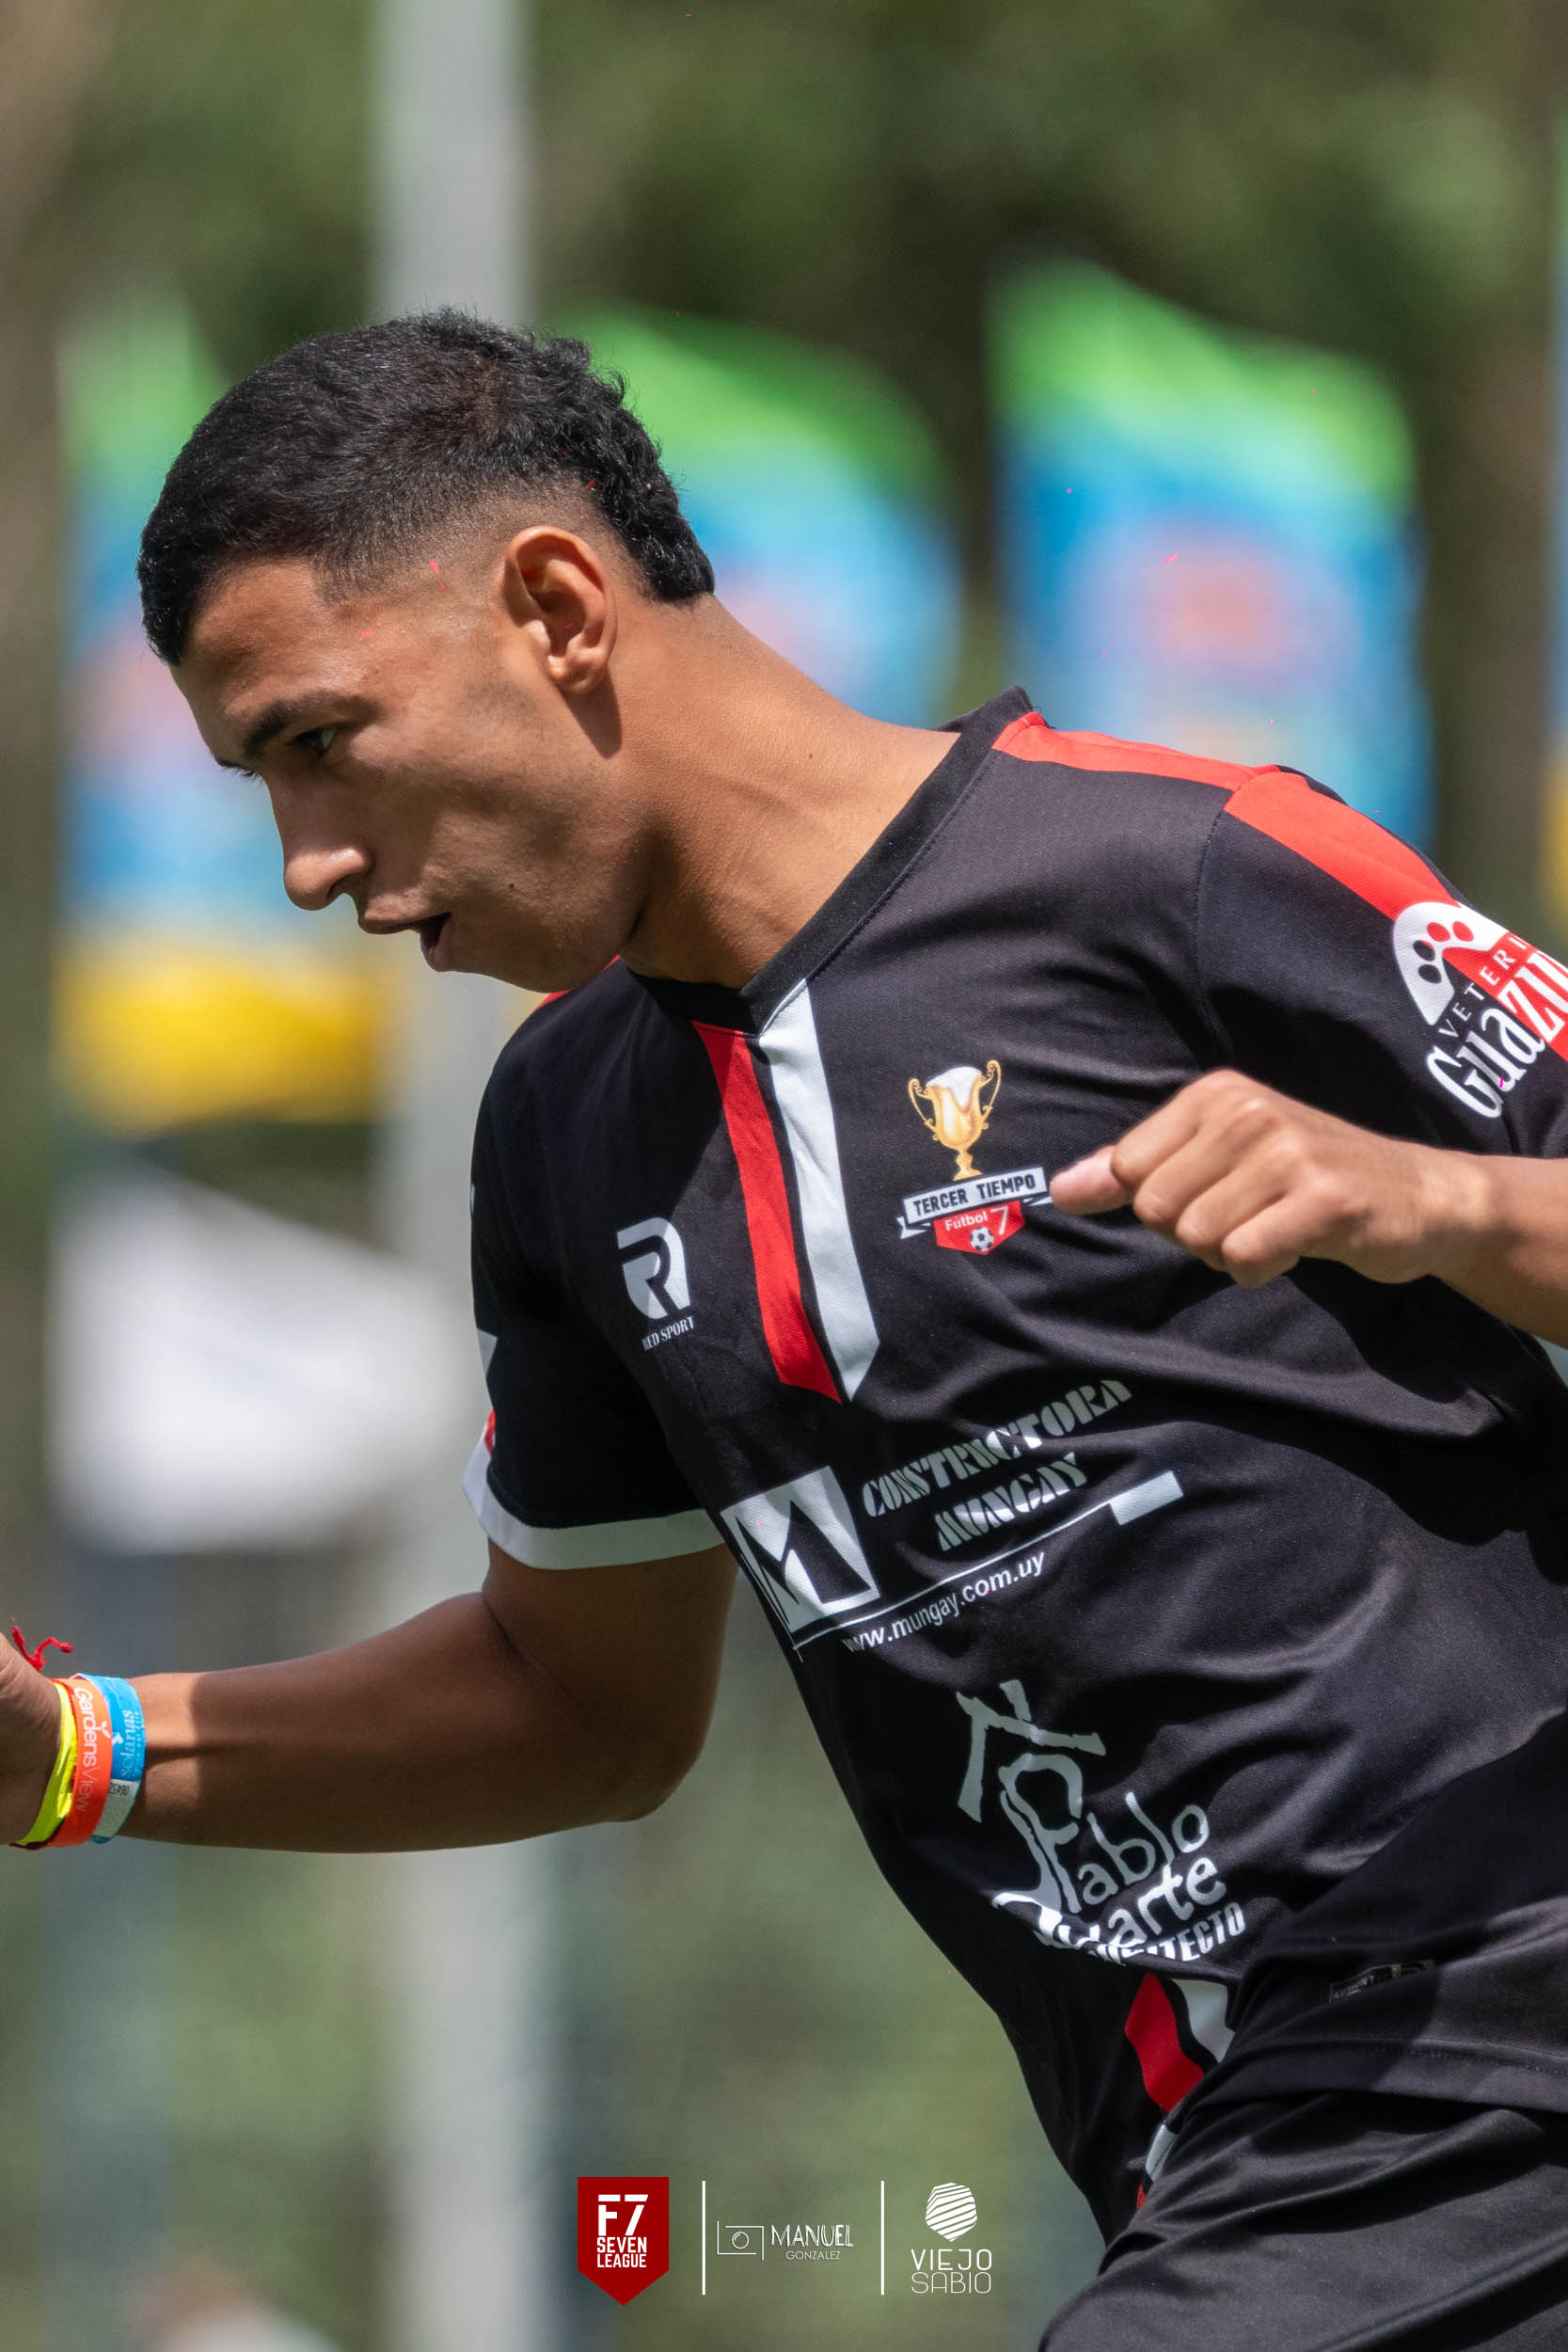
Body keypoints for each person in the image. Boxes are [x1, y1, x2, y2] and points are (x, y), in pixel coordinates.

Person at [7, 310, 1568, 2348]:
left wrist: (1442, 1199)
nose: (308, 864)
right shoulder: (567, 1139)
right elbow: (582, 1700)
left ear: (557, 609)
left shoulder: (1176, 866)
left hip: (1485, 2025)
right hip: (1227, 2169)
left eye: (321, 742)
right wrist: (80, 1752)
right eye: (258, 782)